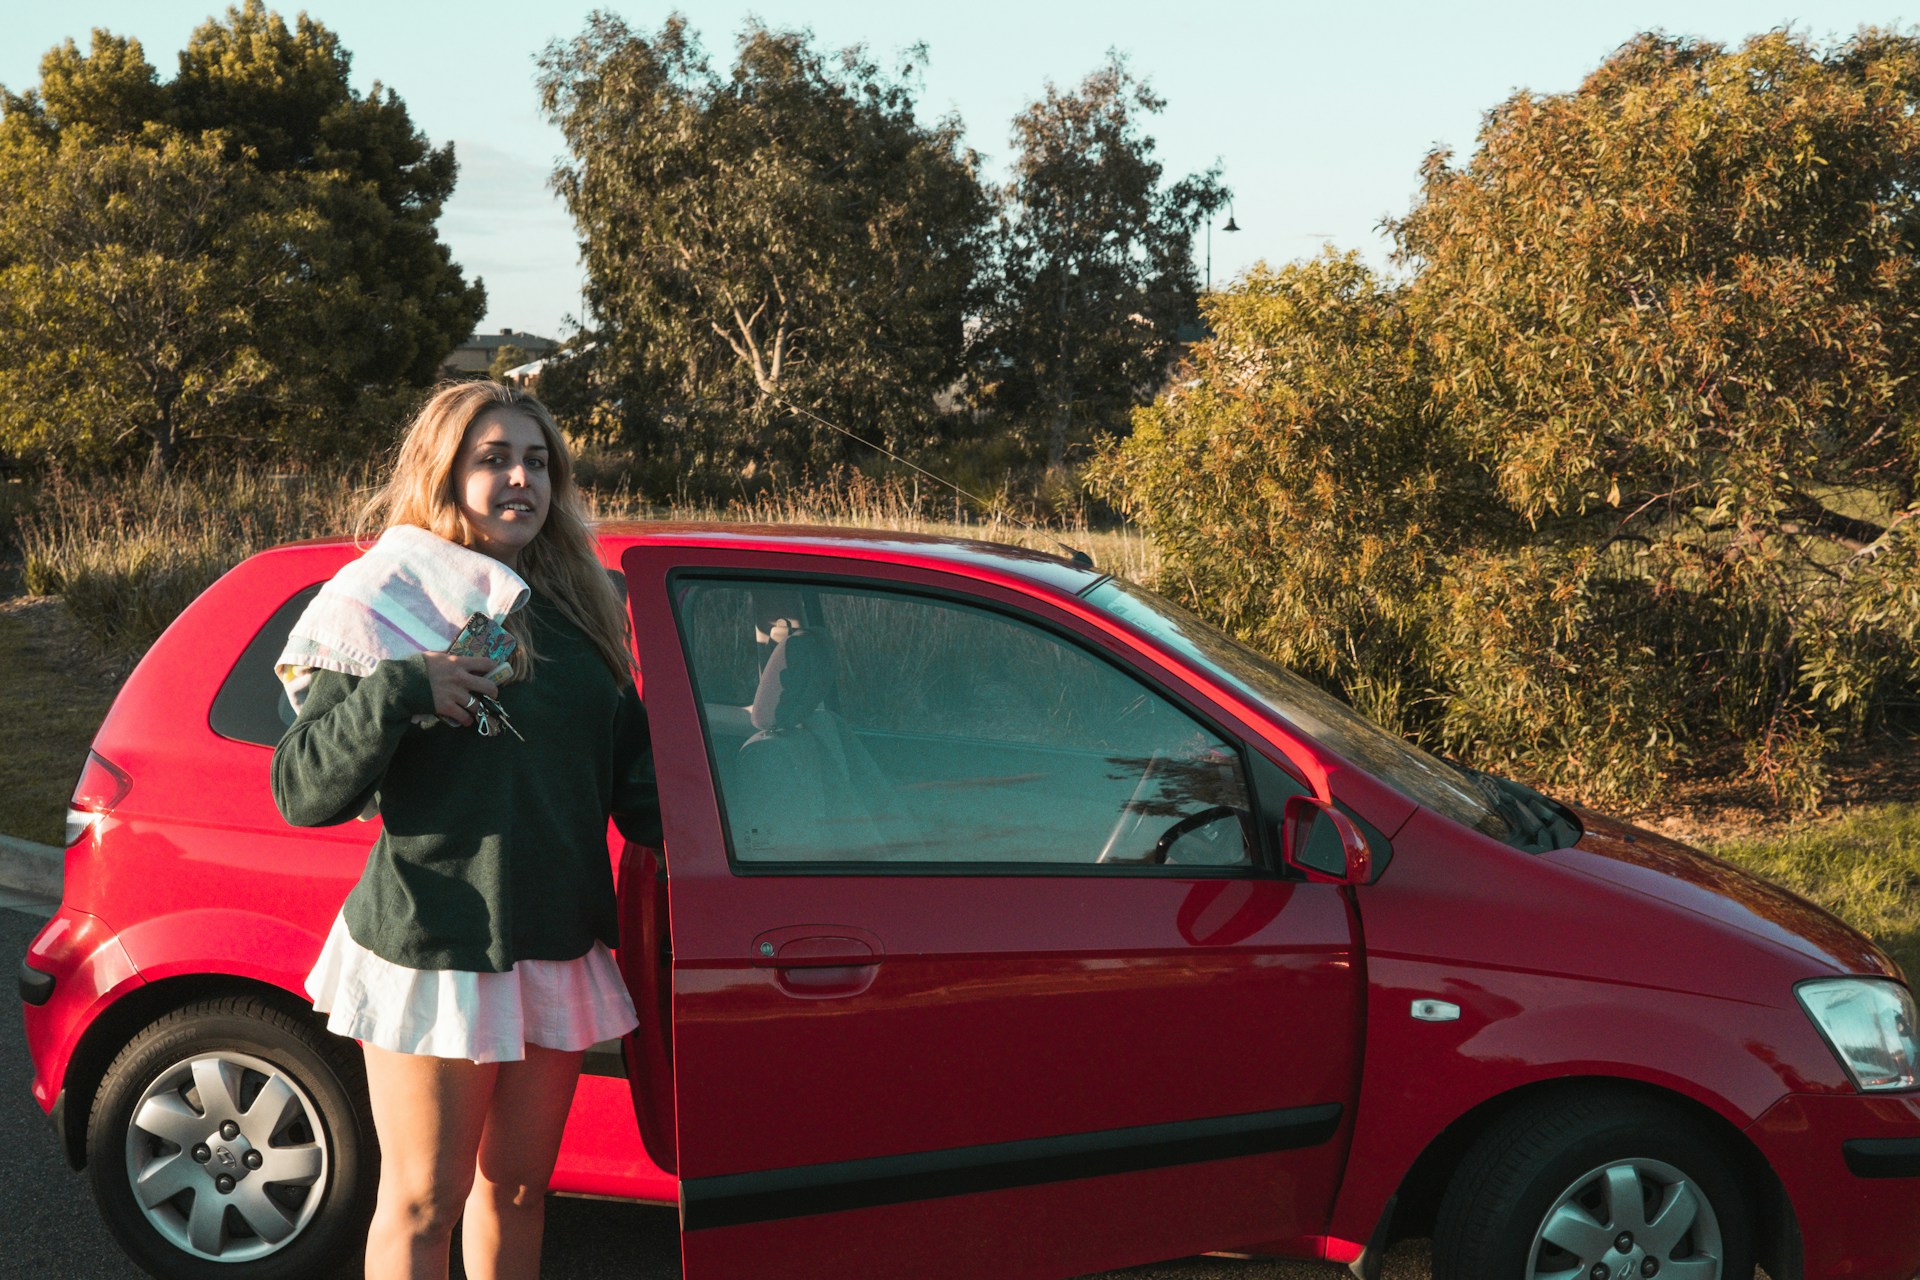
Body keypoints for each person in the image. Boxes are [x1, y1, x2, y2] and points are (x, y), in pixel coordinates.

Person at [271, 380, 659, 1280]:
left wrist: (761, 750)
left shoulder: (579, 611)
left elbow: (636, 788)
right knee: (421, 1204)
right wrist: (404, 688)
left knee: (518, 1194)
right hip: (434, 946)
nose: (520, 478)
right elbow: (301, 789)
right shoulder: (382, 601)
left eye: (537, 461)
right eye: (493, 460)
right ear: (444, 474)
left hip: (554, 942)